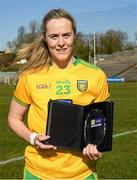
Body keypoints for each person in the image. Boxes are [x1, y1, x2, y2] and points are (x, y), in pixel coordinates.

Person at [8, 8, 110, 179]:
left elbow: (102, 123)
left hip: (82, 173)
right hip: (38, 172)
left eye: (66, 35)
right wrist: (32, 138)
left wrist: (98, 145)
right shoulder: (30, 75)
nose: (61, 42)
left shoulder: (95, 74)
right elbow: (13, 118)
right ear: (45, 38)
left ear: (74, 36)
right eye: (54, 36)